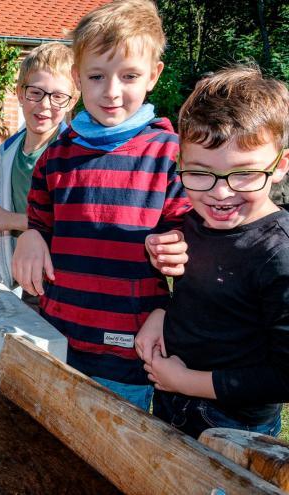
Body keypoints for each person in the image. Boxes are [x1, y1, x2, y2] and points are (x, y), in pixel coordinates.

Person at [12, 0, 192, 410]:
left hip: (128, 353)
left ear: (154, 76)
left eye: (129, 76)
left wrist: (179, 247)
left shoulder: (170, 156)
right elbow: (39, 218)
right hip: (56, 337)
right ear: (77, 78)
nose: (111, 91)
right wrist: (32, 236)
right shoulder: (56, 156)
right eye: (96, 76)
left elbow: (191, 239)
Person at [136, 67, 289, 438]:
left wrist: (190, 382)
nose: (220, 194)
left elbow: (283, 377)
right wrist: (161, 311)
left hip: (236, 427)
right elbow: (206, 297)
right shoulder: (193, 222)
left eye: (244, 174)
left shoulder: (279, 256)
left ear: (280, 166)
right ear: (181, 165)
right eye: (200, 173)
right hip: (174, 402)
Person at [0, 43, 78, 293]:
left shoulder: (72, 154)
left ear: (72, 101)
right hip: (24, 278)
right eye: (35, 92)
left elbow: (73, 223)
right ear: (20, 94)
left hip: (62, 280)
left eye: (58, 96)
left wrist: (9, 220)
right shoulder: (5, 153)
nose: (45, 105)